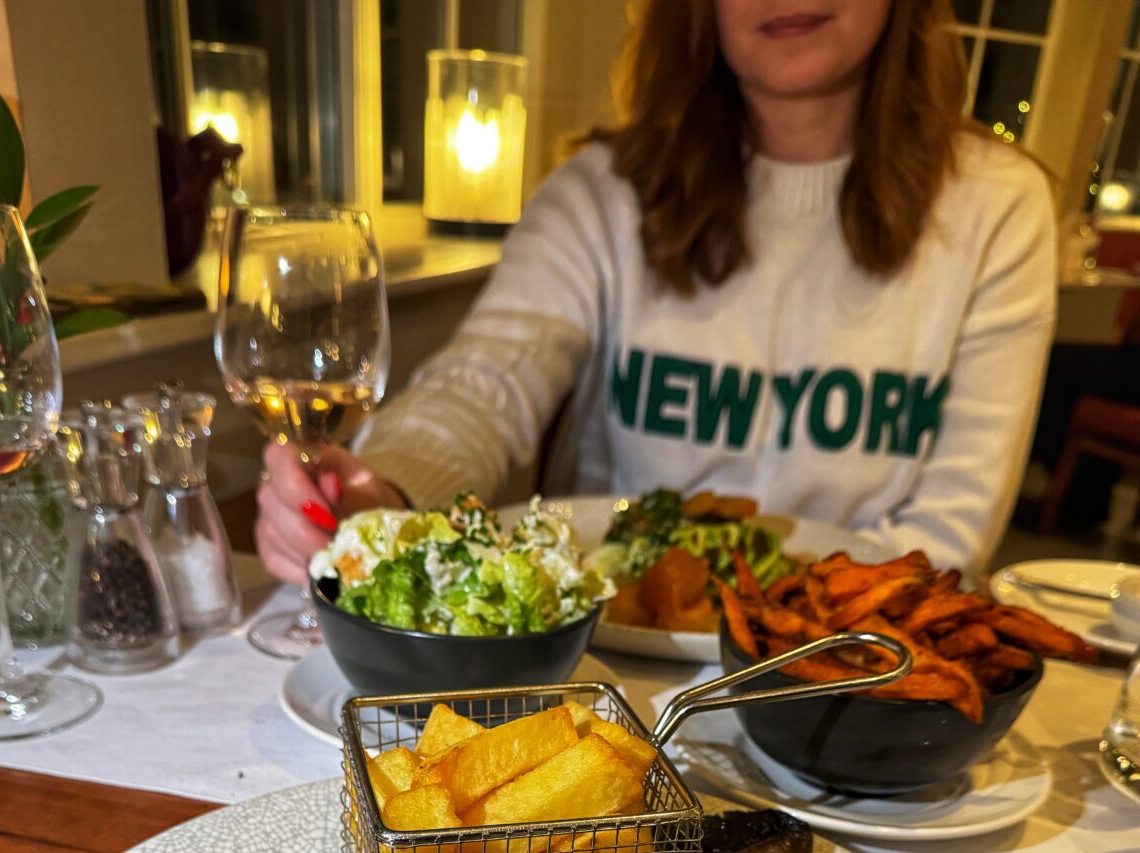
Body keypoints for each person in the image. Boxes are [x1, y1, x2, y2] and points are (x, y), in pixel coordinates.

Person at [256, 0, 1056, 584]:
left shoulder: (999, 208)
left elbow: (949, 530)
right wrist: (387, 487)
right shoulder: (600, 192)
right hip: (608, 665)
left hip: (850, 671)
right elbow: (485, 382)